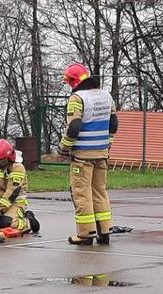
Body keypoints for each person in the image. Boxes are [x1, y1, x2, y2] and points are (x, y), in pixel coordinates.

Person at [59, 64, 117, 246]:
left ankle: (86, 233)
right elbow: (114, 124)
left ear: (73, 81)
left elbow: (74, 127)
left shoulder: (77, 98)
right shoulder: (106, 96)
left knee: (81, 194)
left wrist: (64, 147)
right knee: (99, 191)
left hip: (82, 156)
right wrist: (107, 144)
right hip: (101, 154)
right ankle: (105, 231)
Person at [0, 139, 38, 241]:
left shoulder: (17, 167)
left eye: (1, 159)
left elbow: (12, 193)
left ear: (9, 157)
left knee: (6, 223)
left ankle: (28, 221)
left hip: (15, 202)